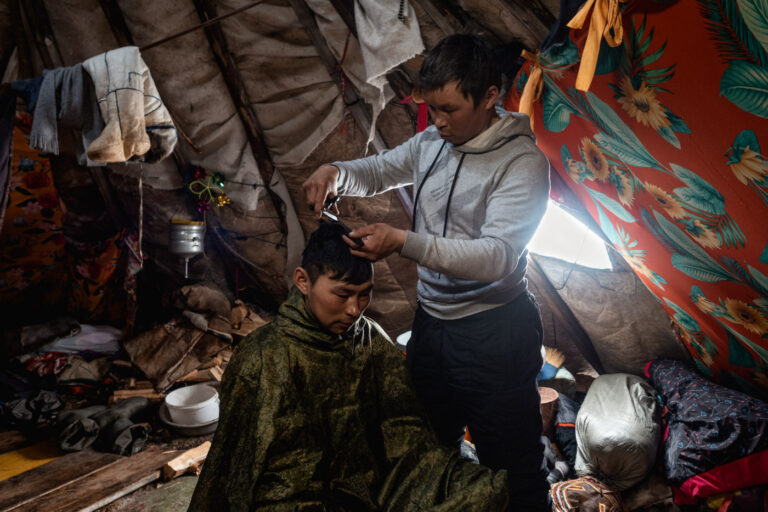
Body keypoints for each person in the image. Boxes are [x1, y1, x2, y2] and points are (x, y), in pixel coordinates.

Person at [302, 33, 551, 510]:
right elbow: (378, 169)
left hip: (494, 332)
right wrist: (336, 171)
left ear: (489, 98)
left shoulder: (523, 164)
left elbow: (496, 256)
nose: (437, 121)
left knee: (513, 468)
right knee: (426, 449)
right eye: (431, 108)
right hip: (433, 328)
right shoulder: (434, 141)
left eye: (450, 109)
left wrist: (403, 242)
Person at [187, 222, 510, 511]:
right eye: (342, 295)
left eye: (364, 295)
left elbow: (406, 431)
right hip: (295, 497)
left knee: (485, 489)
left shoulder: (368, 338)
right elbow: (233, 469)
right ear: (303, 281)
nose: (355, 309)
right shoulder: (261, 357)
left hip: (374, 482)